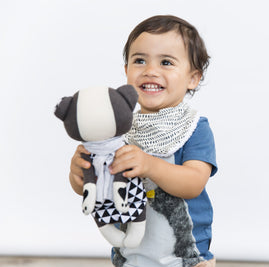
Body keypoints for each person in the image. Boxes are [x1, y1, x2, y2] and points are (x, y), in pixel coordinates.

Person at [69, 15, 218, 267]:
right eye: (139, 60)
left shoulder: (194, 128)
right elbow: (97, 189)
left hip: (184, 257)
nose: (150, 70)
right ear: (126, 70)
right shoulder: (116, 132)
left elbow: (193, 183)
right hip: (131, 254)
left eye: (166, 62)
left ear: (193, 78)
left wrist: (150, 165)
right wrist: (80, 175)